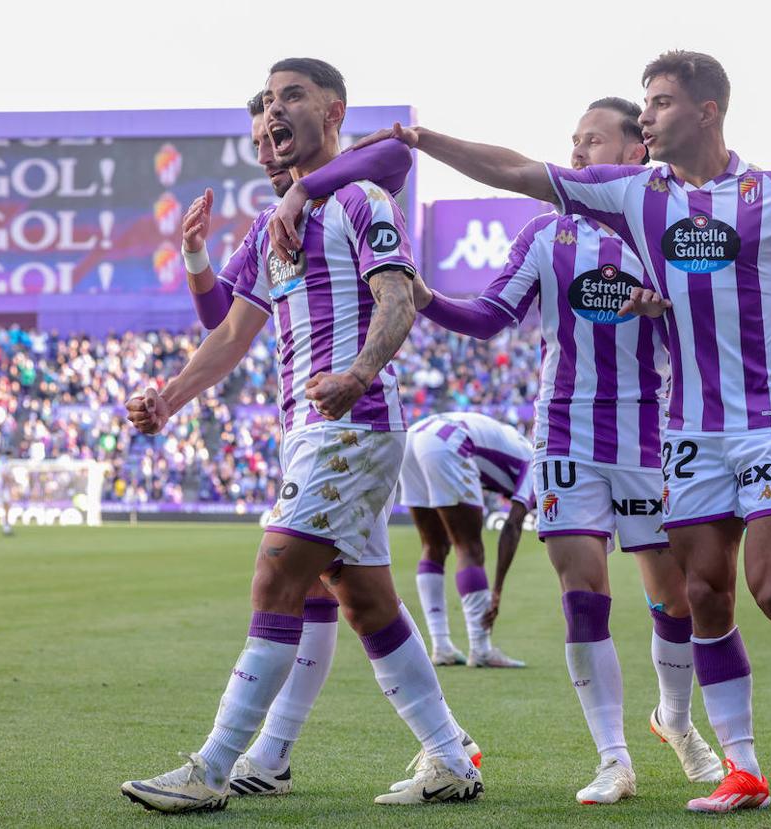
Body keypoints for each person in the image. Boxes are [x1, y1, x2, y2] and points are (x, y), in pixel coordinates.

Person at [334, 49, 771, 813]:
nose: (647, 113)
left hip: (766, 420)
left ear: (706, 111)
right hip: (683, 429)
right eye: (644, 103)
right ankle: (741, 766)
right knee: (703, 591)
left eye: (658, 102)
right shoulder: (632, 195)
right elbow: (519, 172)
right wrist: (427, 141)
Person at [277, 97, 724, 803]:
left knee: (674, 599)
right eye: (572, 141)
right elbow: (489, 318)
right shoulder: (547, 236)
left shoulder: (666, 231)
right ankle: (613, 757)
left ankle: (675, 719)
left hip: (648, 436)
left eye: (593, 140)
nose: (576, 152)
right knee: (585, 595)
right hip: (565, 436)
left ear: (636, 151)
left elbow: (708, 331)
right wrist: (425, 297)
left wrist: (664, 308)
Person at [121, 58, 482, 812]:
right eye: (263, 110)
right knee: (365, 601)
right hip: (307, 432)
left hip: (346, 426)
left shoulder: (359, 196)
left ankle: (214, 767)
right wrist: (170, 399)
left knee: (276, 578)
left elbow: (396, 301)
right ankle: (450, 756)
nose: (273, 117)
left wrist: (354, 376)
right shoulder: (269, 227)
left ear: (333, 110)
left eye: (291, 97)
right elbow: (228, 335)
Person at [400, 411, 531, 668]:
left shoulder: (518, 445)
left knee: (433, 546)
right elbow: (512, 526)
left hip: (412, 439)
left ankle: (441, 646)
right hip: (450, 442)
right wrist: (497, 590)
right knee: (469, 547)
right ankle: (481, 649)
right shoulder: (539, 464)